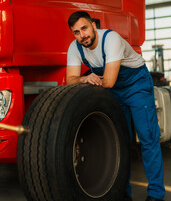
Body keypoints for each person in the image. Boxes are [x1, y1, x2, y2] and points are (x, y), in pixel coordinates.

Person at [66, 11, 165, 201]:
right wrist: (84, 78)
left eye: (84, 28)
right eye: (76, 32)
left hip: (136, 85)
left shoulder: (111, 39)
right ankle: (122, 193)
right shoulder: (75, 47)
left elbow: (109, 81)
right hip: (113, 90)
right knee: (119, 141)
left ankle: (156, 194)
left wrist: (82, 81)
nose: (82, 35)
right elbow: (70, 80)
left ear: (94, 26)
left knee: (148, 138)